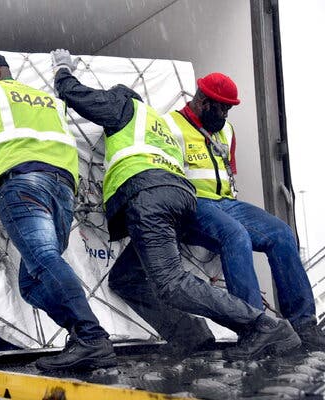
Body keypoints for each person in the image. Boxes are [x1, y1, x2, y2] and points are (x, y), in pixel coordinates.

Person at [50, 48, 301, 360]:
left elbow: (76, 95)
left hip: (148, 195)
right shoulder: (157, 121)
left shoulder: (123, 104)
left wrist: (62, 70)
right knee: (126, 278)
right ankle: (191, 336)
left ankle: (261, 325)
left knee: (170, 282)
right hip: (178, 198)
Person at [0, 51, 116, 371]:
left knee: (43, 259)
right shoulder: (47, 100)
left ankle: (92, 336)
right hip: (63, 190)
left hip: (23, 184)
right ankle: (81, 337)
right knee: (31, 283)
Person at [158, 71, 325, 350]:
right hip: (191, 203)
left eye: (228, 108)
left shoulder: (226, 130)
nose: (224, 114)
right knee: (235, 235)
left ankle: (303, 324)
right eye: (220, 107)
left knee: (281, 233)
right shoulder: (170, 126)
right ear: (202, 100)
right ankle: (256, 327)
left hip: (225, 203)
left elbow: (228, 172)